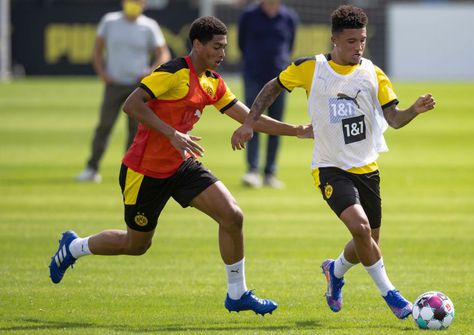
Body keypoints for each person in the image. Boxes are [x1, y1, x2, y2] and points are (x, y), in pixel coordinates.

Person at [50, 16, 311, 315]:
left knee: (232, 216)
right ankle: (73, 247)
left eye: (225, 47)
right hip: (144, 171)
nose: (223, 53)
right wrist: (172, 133)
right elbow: (132, 105)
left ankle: (237, 294)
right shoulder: (172, 72)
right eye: (216, 47)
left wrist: (297, 130)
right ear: (197, 45)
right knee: (136, 245)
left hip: (181, 165)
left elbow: (247, 116)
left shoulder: (212, 81)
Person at [231, 5, 436, 319]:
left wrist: (414, 110)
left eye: (362, 40)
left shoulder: (373, 73)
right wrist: (249, 122)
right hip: (329, 167)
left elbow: (393, 119)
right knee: (361, 228)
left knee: (367, 240)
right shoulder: (309, 68)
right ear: (334, 40)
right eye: (351, 41)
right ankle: (392, 295)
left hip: (367, 169)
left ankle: (335, 271)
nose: (358, 47)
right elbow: (271, 88)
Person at [76, 0, 170, 183]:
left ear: (144, 5)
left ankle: (130, 170)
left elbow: (163, 53)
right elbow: (97, 50)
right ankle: (92, 168)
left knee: (135, 131)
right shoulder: (110, 21)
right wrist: (102, 73)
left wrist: (151, 72)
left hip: (138, 86)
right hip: (114, 84)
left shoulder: (149, 26)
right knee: (104, 126)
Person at [237, 0, 298, 188]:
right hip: (254, 76)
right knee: (251, 121)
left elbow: (290, 45)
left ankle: (270, 172)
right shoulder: (248, 15)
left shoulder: (289, 17)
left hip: (279, 79)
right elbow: (241, 43)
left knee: (276, 125)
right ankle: (252, 171)